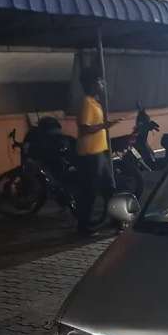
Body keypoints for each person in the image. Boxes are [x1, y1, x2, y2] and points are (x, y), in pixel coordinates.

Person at [76, 68, 122, 235]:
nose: (103, 84)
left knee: (109, 188)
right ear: (92, 83)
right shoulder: (86, 103)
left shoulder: (94, 102)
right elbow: (84, 129)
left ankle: (116, 221)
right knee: (90, 191)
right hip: (90, 154)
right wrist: (105, 125)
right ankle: (84, 227)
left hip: (99, 152)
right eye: (100, 81)